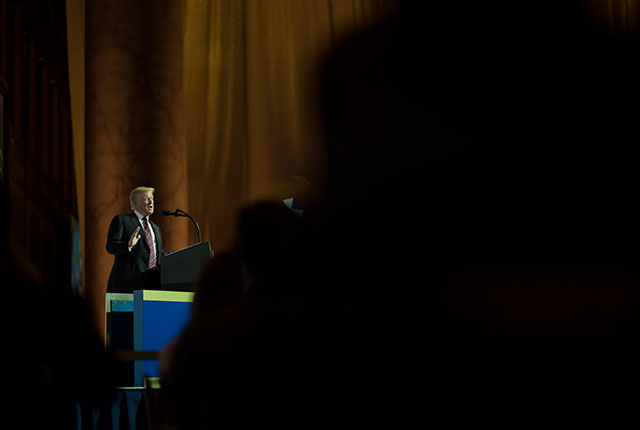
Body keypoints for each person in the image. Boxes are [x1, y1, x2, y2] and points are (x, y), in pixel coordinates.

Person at [106, 186, 165, 293]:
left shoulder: (156, 228)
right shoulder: (122, 220)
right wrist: (128, 245)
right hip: (128, 286)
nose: (151, 201)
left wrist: (178, 256)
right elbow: (110, 246)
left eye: (152, 198)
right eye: (147, 198)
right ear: (135, 204)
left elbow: (158, 254)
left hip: (152, 286)